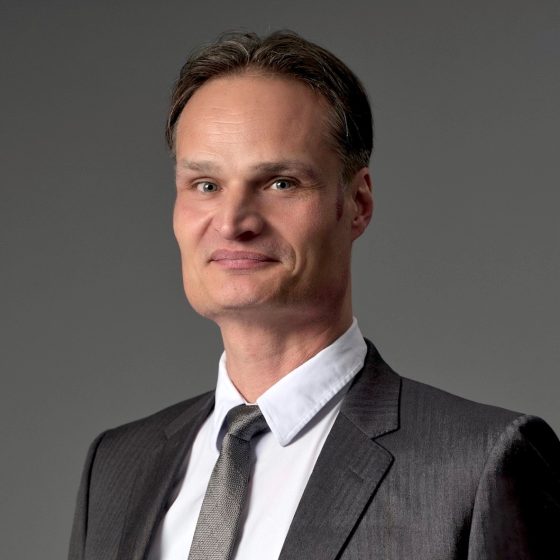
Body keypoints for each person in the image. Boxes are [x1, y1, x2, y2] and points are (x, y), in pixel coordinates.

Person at [68, 31, 560, 560]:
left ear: (358, 204)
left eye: (280, 182)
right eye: (206, 185)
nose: (233, 222)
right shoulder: (115, 466)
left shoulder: (478, 465)